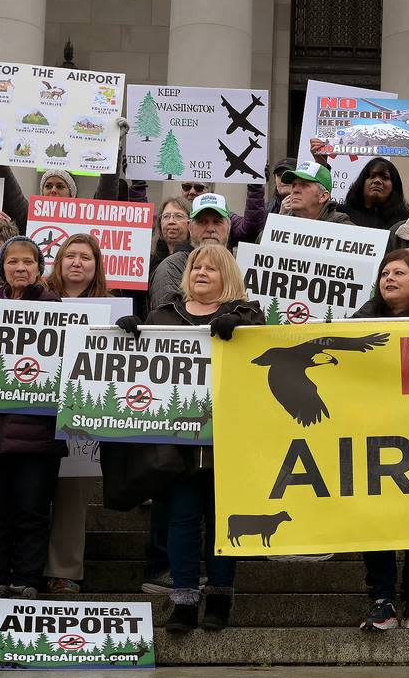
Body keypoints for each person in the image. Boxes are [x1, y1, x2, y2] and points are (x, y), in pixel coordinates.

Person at [117, 244, 265, 632]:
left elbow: (264, 356)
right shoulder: (162, 315)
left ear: (227, 276)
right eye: (196, 266)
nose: (200, 272)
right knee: (181, 520)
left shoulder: (248, 314)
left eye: (211, 269)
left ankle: (219, 599)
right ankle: (183, 600)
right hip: (176, 440)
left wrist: (241, 329)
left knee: (221, 521)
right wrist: (130, 334)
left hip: (228, 437)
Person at [0, 237, 65, 627]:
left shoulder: (56, 310)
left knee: (32, 515)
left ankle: (25, 587)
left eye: (28, 262)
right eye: (13, 261)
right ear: (1, 266)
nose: (20, 268)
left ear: (39, 269)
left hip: (37, 438)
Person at [352, 249, 409, 631]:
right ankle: (382, 600)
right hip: (375, 438)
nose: (389, 278)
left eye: (399, 273)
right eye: (385, 273)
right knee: (377, 520)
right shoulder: (358, 325)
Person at [38, 234, 116, 594]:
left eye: (86, 257)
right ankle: (24, 569)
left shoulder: (113, 308)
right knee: (31, 493)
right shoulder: (35, 299)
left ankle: (64, 571)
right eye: (70, 255)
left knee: (72, 495)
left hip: (83, 417)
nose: (77, 263)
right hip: (34, 412)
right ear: (59, 261)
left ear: (96, 266)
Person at [0, 109, 127, 232]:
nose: (53, 190)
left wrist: (115, 146)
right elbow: (8, 185)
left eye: (60, 186)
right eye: (48, 185)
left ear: (72, 194)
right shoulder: (28, 217)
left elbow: (106, 195)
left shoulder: (85, 218)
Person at [129, 177, 266, 251]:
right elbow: (143, 227)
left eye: (199, 188)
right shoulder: (169, 214)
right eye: (186, 187)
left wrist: (255, 189)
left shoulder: (224, 216)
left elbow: (250, 228)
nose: (192, 191)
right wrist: (138, 188)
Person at [149, 193, 232, 308]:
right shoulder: (172, 267)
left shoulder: (236, 265)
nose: (210, 229)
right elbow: (166, 319)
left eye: (217, 222)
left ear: (228, 227)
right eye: (202, 222)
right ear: (189, 227)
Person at [343, 157, 409, 231]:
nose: (377, 181)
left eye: (385, 178)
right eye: (372, 176)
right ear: (362, 183)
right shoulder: (343, 215)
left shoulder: (408, 221)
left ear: (394, 186)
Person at [279, 161, 351, 224]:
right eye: (294, 185)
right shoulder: (281, 222)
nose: (295, 190)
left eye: (304, 185)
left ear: (323, 196)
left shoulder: (344, 228)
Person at [153, 196, 191, 272]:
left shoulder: (197, 260)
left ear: (191, 223)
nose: (171, 221)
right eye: (166, 216)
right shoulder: (150, 260)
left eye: (178, 216)